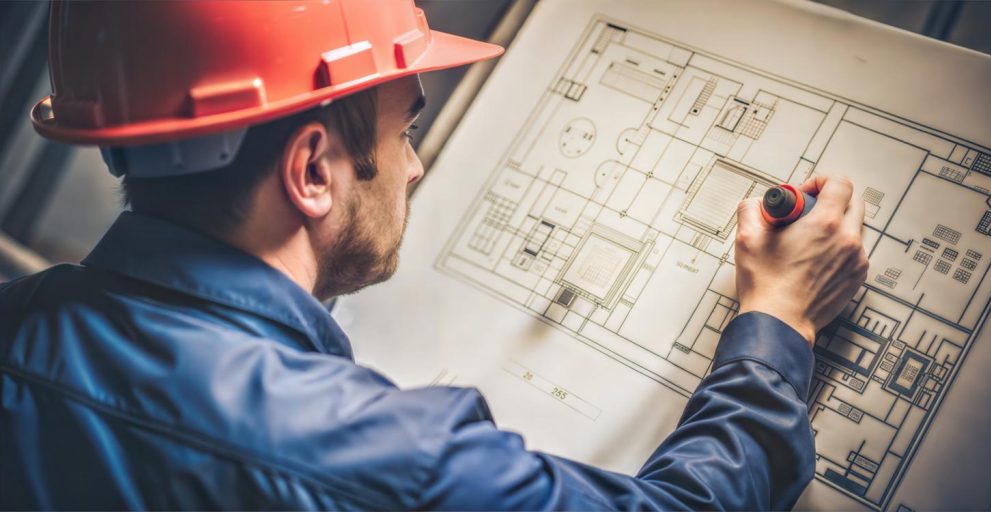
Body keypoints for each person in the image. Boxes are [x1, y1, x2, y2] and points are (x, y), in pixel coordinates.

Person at [0, 1, 869, 509]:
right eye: (405, 126)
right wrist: (778, 317)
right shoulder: (393, 459)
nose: (414, 165)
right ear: (310, 170)